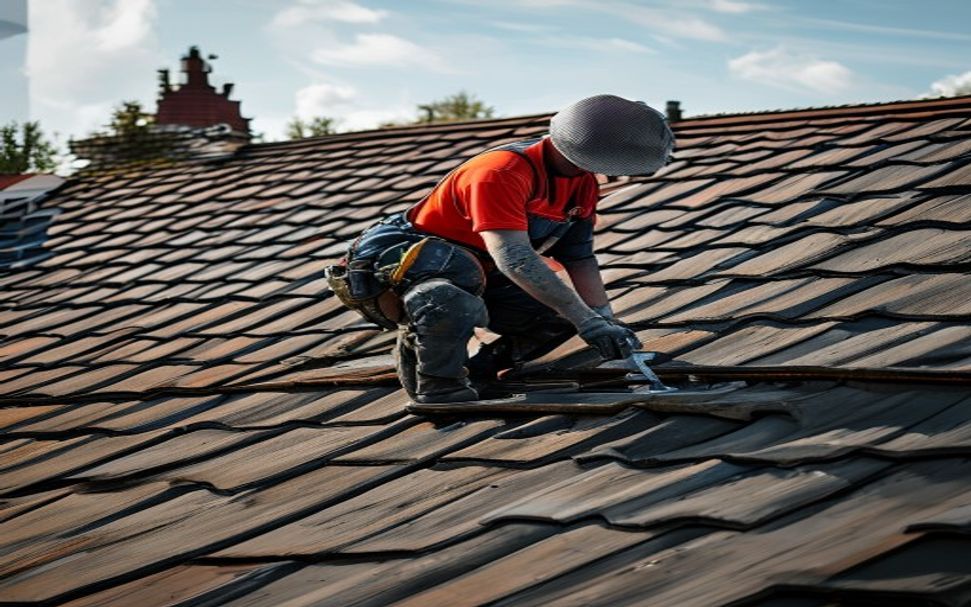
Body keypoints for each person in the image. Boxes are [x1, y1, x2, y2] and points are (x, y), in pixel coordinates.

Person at [326, 94, 675, 403]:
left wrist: (602, 320)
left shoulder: (582, 184)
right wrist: (588, 320)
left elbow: (579, 256)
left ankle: (480, 369)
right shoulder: (501, 172)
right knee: (448, 297)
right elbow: (514, 257)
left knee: (561, 317)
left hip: (481, 270)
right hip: (404, 268)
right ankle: (437, 383)